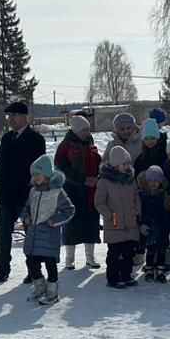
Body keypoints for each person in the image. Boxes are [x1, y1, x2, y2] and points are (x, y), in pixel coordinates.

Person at [0, 101, 46, 284]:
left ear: (25, 117)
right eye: (9, 116)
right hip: (6, 195)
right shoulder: (7, 138)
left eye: (15, 115)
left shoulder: (36, 139)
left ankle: (33, 270)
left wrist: (33, 190)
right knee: (3, 234)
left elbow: (39, 170)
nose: (11, 119)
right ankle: (3, 270)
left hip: (26, 196)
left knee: (31, 235)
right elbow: (0, 164)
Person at [21, 153, 75, 305]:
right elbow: (26, 208)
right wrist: (26, 217)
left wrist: (55, 221)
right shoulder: (33, 191)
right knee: (31, 262)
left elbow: (69, 210)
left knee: (50, 265)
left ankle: (52, 292)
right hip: (33, 235)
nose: (36, 177)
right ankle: (40, 286)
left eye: (38, 174)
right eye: (33, 174)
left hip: (49, 236)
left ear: (47, 174)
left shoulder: (57, 192)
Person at [55, 115, 102, 270]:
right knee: (72, 225)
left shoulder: (91, 143)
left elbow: (97, 163)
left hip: (90, 191)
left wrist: (97, 177)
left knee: (91, 224)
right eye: (83, 130)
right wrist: (82, 179)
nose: (86, 132)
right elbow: (62, 168)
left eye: (88, 129)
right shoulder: (65, 146)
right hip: (72, 190)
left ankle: (90, 256)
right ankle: (70, 258)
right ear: (75, 130)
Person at [94, 146, 141, 289]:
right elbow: (99, 202)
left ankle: (126, 275)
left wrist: (137, 211)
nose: (126, 167)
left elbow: (136, 197)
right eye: (123, 164)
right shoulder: (105, 181)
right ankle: (113, 278)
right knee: (115, 254)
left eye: (128, 163)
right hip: (114, 225)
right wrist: (109, 215)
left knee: (128, 253)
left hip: (130, 224)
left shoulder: (130, 181)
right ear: (115, 165)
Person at [137, 165, 170, 282]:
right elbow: (139, 211)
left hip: (162, 227)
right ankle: (149, 269)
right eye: (150, 181)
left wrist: (169, 225)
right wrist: (140, 223)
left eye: (156, 181)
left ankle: (161, 270)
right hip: (148, 226)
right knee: (150, 250)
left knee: (162, 249)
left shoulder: (164, 195)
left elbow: (168, 212)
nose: (153, 183)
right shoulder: (143, 195)